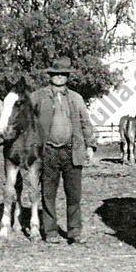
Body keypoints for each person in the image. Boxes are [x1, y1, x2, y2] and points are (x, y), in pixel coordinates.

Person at [31, 57, 97, 244]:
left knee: (74, 194)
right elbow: (27, 121)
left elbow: (85, 122)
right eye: (56, 74)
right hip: (48, 152)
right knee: (48, 193)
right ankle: (50, 231)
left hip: (72, 151)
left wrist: (90, 145)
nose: (59, 77)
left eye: (63, 74)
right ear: (50, 75)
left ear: (67, 76)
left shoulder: (76, 98)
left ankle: (74, 231)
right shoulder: (38, 97)